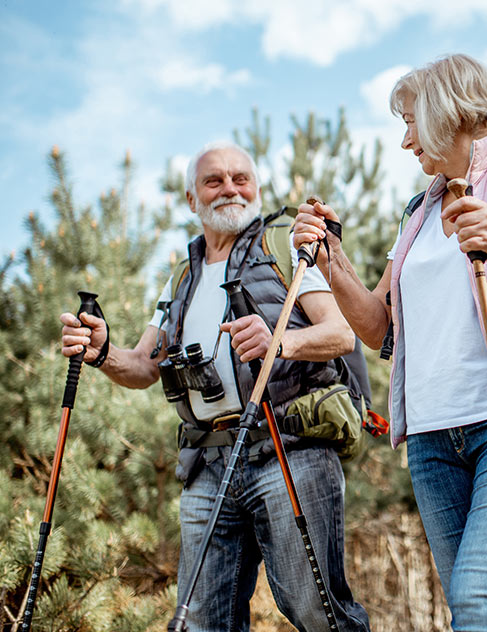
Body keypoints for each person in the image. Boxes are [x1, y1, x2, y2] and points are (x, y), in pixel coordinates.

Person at [293, 54, 487, 631]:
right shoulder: (417, 214)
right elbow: (380, 328)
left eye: (411, 121)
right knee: (477, 612)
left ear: (447, 113)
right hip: (435, 439)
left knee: (483, 600)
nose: (405, 141)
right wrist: (330, 260)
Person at [59, 141, 370, 632]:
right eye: (214, 180)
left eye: (240, 177)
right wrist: (101, 353)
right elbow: (142, 365)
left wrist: (279, 341)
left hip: (289, 448)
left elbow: (340, 333)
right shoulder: (181, 276)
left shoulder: (284, 245)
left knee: (316, 610)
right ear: (191, 199)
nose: (230, 188)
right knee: (203, 620)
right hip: (208, 462)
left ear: (257, 189)